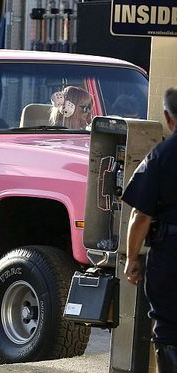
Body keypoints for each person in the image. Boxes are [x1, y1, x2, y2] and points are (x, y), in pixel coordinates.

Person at [123, 87, 177, 372]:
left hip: (170, 256)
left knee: (168, 329)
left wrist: (132, 258)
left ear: (169, 118)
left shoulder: (161, 156)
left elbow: (140, 215)